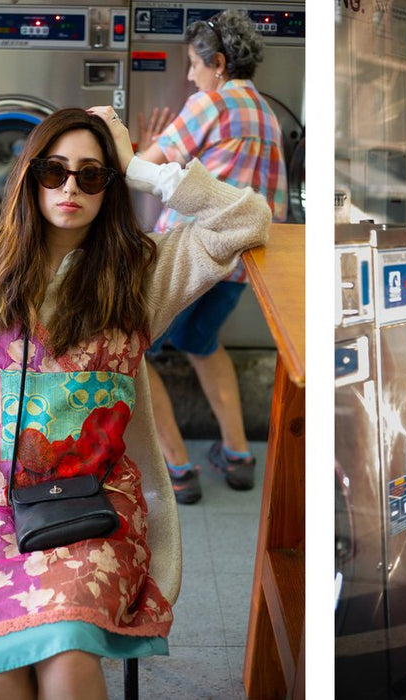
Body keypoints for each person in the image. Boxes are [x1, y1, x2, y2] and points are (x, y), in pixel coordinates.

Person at [0, 106, 270, 698]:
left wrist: (142, 166)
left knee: (69, 658)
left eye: (92, 174)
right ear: (27, 177)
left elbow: (246, 219)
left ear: (111, 187)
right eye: (53, 172)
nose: (70, 188)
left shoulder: (140, 272)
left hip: (91, 513)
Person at [137, 9, 287, 505]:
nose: (188, 77)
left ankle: (176, 467)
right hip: (243, 265)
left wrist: (135, 147)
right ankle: (239, 455)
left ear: (218, 63)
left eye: (193, 66)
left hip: (193, 257)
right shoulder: (267, 114)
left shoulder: (212, 102)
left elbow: (148, 167)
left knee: (132, 349)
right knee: (200, 341)